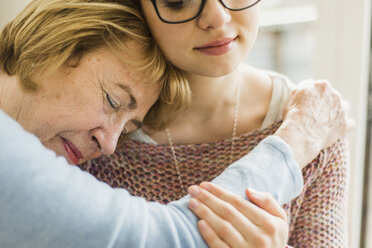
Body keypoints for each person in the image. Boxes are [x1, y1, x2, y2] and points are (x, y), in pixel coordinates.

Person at [0, 0, 353, 247]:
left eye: (126, 127)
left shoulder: (322, 127)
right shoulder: (65, 146)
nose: (217, 16)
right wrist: (294, 143)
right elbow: (167, 237)